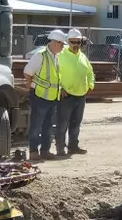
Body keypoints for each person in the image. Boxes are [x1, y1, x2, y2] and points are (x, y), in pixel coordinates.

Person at [23, 29, 66, 161]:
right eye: (61, 44)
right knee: (36, 125)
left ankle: (45, 150)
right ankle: (34, 151)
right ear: (54, 42)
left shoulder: (56, 57)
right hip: (40, 96)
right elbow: (28, 72)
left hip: (52, 97)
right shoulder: (40, 55)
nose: (62, 46)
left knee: (48, 126)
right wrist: (32, 86)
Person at [56, 29, 95, 156]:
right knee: (62, 123)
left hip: (80, 96)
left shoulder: (82, 57)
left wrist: (90, 85)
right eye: (73, 42)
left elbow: (90, 72)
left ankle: (73, 146)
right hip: (66, 95)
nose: (76, 44)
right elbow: (55, 73)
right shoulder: (60, 55)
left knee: (76, 123)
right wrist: (60, 87)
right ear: (68, 42)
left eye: (78, 42)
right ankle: (60, 148)